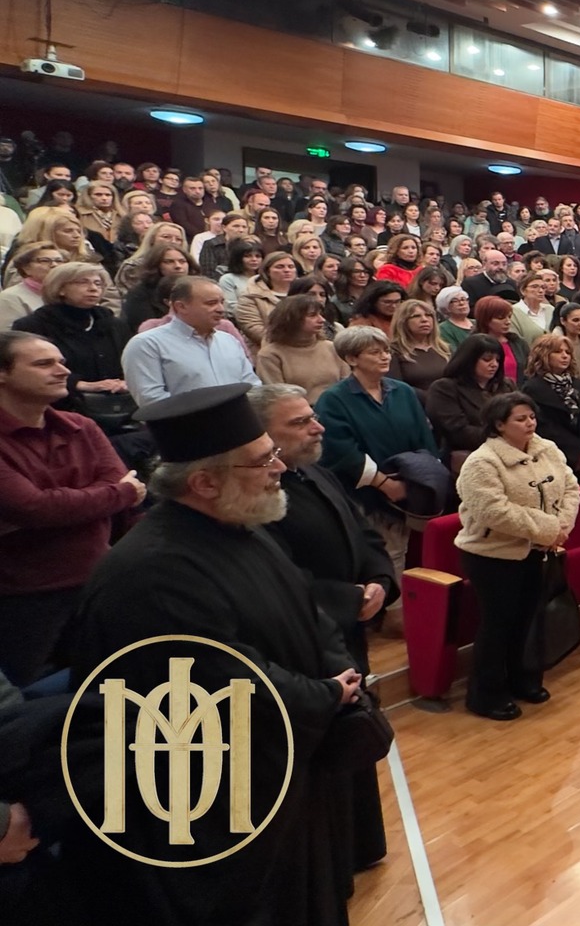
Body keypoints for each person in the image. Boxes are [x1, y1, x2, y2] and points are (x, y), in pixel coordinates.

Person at [65, 384, 360, 925]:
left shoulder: (242, 528)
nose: (278, 467)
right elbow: (224, 683)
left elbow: (309, 612)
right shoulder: (151, 572)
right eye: (261, 460)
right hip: (215, 804)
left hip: (285, 771)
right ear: (204, 482)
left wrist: (338, 670)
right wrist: (325, 693)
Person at [248, 382, 395, 873]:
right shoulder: (257, 495)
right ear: (262, 435)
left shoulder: (317, 472)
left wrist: (378, 581)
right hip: (306, 638)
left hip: (351, 627)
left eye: (312, 416)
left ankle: (360, 844)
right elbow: (276, 572)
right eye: (299, 422)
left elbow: (363, 532)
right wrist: (348, 599)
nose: (318, 426)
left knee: (355, 736)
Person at [0, 332, 141, 684]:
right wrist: (113, 495)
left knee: (115, 685)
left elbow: (127, 489)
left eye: (61, 361)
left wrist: (95, 500)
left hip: (98, 580)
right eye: (43, 363)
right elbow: (34, 508)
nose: (62, 370)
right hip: (26, 597)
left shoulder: (82, 426)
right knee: (33, 706)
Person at [454, 393, 579, 721]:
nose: (529, 424)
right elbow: (493, 510)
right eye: (520, 419)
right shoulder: (481, 462)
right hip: (492, 555)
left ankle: (523, 679)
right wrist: (549, 528)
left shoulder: (546, 448)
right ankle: (486, 694)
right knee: (498, 624)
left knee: (529, 618)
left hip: (537, 550)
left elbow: (570, 487)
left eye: (531, 417)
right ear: (499, 425)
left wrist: (562, 525)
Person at [315, 325, 438, 576]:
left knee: (400, 554)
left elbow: (423, 437)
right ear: (352, 359)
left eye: (386, 351)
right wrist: (384, 484)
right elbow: (340, 449)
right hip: (364, 496)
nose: (385, 357)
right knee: (381, 558)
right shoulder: (334, 399)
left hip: (407, 489)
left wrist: (422, 478)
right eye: (374, 352)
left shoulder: (402, 391)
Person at [12, 262, 130, 425]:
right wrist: (81, 385)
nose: (93, 288)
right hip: (60, 409)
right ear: (60, 288)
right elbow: (28, 372)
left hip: (119, 407)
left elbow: (130, 362)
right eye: (83, 282)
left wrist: (126, 382)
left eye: (98, 283)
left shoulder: (113, 324)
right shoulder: (33, 326)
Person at [120, 275, 259, 404]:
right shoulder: (147, 344)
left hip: (237, 424)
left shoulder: (229, 341)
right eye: (211, 303)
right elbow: (152, 400)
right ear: (181, 306)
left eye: (222, 302)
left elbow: (252, 386)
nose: (221, 309)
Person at [523, 331, 580, 481]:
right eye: (558, 352)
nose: (565, 356)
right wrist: (577, 452)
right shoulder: (533, 388)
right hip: (556, 457)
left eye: (567, 352)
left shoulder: (579, 385)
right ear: (544, 355)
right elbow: (544, 427)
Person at [426, 334, 512, 461]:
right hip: (469, 456)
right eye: (487, 359)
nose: (494, 364)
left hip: (511, 451)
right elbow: (458, 432)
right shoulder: (444, 388)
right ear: (469, 360)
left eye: (497, 360)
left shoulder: (507, 385)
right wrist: (508, 437)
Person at [256, 294, 348, 402]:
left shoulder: (332, 347)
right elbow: (278, 397)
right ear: (292, 319)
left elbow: (347, 384)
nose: (321, 320)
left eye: (320, 314)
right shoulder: (270, 355)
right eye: (312, 315)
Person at [235, 251, 299, 345]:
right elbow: (254, 329)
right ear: (267, 271)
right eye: (280, 267)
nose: (286, 270)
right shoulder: (250, 296)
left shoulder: (306, 292)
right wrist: (292, 343)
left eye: (291, 267)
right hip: (268, 350)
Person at [390, 298, 452, 391]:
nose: (424, 320)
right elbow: (396, 386)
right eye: (416, 316)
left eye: (428, 315)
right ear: (403, 321)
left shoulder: (445, 348)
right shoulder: (394, 350)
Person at [0, 244, 63, 330]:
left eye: (59, 261)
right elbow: (8, 335)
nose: (54, 265)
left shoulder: (67, 294)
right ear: (26, 268)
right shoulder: (10, 297)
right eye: (44, 261)